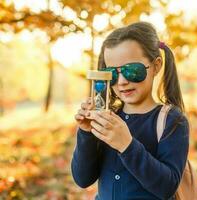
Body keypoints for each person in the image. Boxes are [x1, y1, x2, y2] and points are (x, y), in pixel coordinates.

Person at [71, 21, 189, 200]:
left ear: (156, 66)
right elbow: (82, 179)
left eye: (132, 71)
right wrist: (86, 133)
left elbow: (167, 186)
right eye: (113, 73)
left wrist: (127, 145)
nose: (122, 81)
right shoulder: (108, 118)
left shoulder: (171, 120)